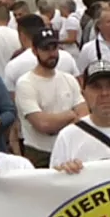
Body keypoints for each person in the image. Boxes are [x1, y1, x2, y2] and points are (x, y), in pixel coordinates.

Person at [14, 29, 89, 168]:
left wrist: (57, 122)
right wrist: (70, 115)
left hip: (70, 151)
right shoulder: (26, 83)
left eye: (54, 48)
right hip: (40, 153)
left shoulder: (68, 79)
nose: (52, 54)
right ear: (35, 51)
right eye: (45, 49)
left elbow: (84, 116)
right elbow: (43, 124)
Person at [4, 16, 81, 93]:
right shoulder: (67, 57)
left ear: (22, 36)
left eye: (54, 48)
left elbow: (11, 99)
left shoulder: (14, 65)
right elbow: (79, 88)